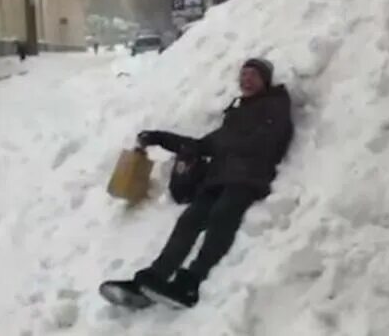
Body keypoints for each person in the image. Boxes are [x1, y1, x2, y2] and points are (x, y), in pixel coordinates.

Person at [104, 58, 293, 309]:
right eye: (243, 74)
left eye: (253, 76)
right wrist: (159, 138)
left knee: (222, 214)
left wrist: (228, 147)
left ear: (265, 81)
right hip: (218, 180)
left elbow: (267, 142)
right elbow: (203, 145)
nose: (246, 79)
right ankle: (152, 278)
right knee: (189, 219)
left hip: (248, 179)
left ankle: (190, 282)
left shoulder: (275, 107)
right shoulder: (236, 115)